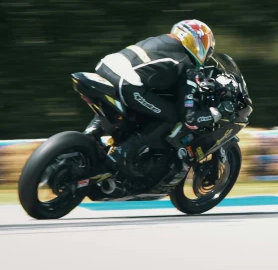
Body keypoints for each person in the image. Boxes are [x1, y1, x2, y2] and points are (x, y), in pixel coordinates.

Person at [85, 19, 219, 178]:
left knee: (132, 105)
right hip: (126, 82)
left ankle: (90, 135)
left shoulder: (160, 40)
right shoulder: (186, 62)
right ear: (195, 40)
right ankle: (122, 155)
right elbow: (189, 117)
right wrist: (214, 114)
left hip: (105, 66)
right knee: (171, 116)